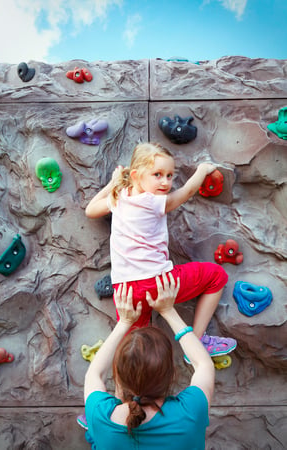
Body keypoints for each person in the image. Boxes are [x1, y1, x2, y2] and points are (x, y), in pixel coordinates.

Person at [85, 142, 236, 356]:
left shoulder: (119, 197)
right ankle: (198, 341)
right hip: (157, 282)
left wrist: (113, 183)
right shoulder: (153, 201)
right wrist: (202, 170)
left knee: (135, 350)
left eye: (169, 175)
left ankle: (128, 387)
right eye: (157, 174)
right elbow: (187, 191)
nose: (165, 182)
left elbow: (90, 210)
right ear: (137, 176)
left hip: (126, 292)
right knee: (216, 276)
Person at [83, 273, 215, 449]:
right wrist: (168, 311)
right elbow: (203, 364)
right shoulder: (189, 413)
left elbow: (94, 373)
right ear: (171, 375)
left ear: (118, 377)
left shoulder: (100, 417)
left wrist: (124, 323)